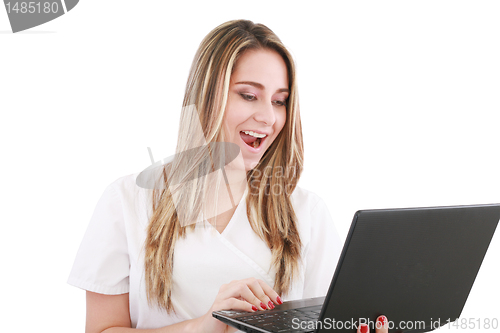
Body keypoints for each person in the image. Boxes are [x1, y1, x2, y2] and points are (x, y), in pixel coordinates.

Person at [68, 19, 388, 333]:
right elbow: (101, 329)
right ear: (207, 96)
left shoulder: (307, 212)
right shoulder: (127, 200)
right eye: (249, 95)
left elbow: (333, 326)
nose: (268, 117)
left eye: (280, 101)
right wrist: (203, 325)